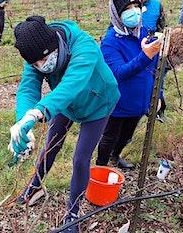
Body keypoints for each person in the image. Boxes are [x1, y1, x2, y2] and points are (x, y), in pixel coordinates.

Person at [10, 16, 120, 232]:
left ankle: (73, 212)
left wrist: (38, 111)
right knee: (50, 146)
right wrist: (23, 120)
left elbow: (71, 84)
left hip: (98, 103)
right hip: (64, 103)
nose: (42, 66)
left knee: (80, 159)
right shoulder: (34, 54)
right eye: (35, 64)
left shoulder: (83, 46)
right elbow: (28, 88)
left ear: (55, 45)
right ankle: (34, 187)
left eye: (44, 60)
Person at [96, 0, 162, 169]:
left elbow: (155, 68)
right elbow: (119, 73)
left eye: (135, 6)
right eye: (127, 8)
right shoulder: (110, 42)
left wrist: (158, 95)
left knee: (127, 135)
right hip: (119, 102)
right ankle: (101, 167)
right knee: (110, 136)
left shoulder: (146, 33)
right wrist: (145, 55)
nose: (133, 11)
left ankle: (115, 157)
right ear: (117, 13)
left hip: (140, 101)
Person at [133, 0, 168, 121]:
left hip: (151, 46)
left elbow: (162, 26)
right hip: (133, 45)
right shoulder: (129, 4)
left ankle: (157, 109)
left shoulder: (157, 5)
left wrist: (161, 41)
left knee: (156, 78)